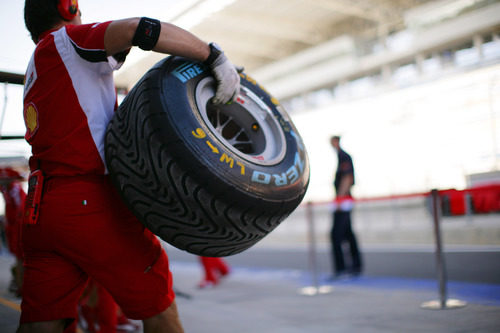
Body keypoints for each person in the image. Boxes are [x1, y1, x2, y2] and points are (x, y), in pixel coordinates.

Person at [20, 0, 240, 332]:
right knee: (159, 311)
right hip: (90, 203)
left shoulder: (37, 65)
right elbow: (138, 28)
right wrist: (212, 56)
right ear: (68, 8)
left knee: (41, 325)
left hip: (43, 210)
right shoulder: (66, 41)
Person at [329, 135, 362, 278]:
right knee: (348, 234)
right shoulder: (340, 156)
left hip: (344, 201)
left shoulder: (344, 156)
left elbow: (347, 178)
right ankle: (355, 266)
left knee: (336, 234)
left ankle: (341, 269)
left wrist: (340, 200)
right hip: (343, 200)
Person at [0, 168, 26, 297]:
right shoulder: (6, 188)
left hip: (19, 226)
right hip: (13, 226)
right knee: (19, 258)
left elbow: (21, 209)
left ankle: (22, 285)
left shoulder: (14, 188)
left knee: (21, 258)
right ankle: (20, 283)